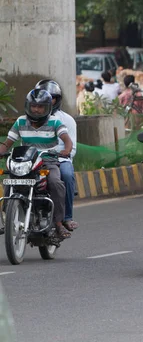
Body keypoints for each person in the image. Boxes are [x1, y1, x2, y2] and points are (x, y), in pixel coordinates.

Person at [0, 89, 73, 239]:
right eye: (33, 106)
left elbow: (67, 140)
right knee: (9, 181)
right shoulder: (20, 121)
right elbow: (7, 144)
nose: (36, 109)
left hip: (48, 161)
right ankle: (7, 219)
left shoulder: (55, 122)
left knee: (55, 183)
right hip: (26, 161)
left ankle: (58, 223)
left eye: (40, 107)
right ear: (28, 106)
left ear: (47, 107)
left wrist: (66, 150)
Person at [35, 80, 78, 231]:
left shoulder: (67, 120)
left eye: (51, 97)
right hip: (36, 160)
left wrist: (63, 152)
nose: (47, 100)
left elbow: (71, 148)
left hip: (59, 159)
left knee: (66, 175)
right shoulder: (30, 118)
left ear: (57, 100)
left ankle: (67, 217)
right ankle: (10, 213)